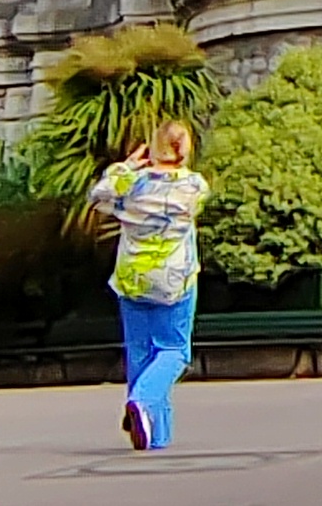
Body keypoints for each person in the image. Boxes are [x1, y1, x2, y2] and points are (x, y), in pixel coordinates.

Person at [86, 119, 209, 451]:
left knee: (140, 352)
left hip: (133, 277)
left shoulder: (133, 188)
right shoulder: (194, 186)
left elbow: (98, 196)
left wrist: (126, 168)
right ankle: (142, 403)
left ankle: (155, 432)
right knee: (173, 351)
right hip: (174, 278)